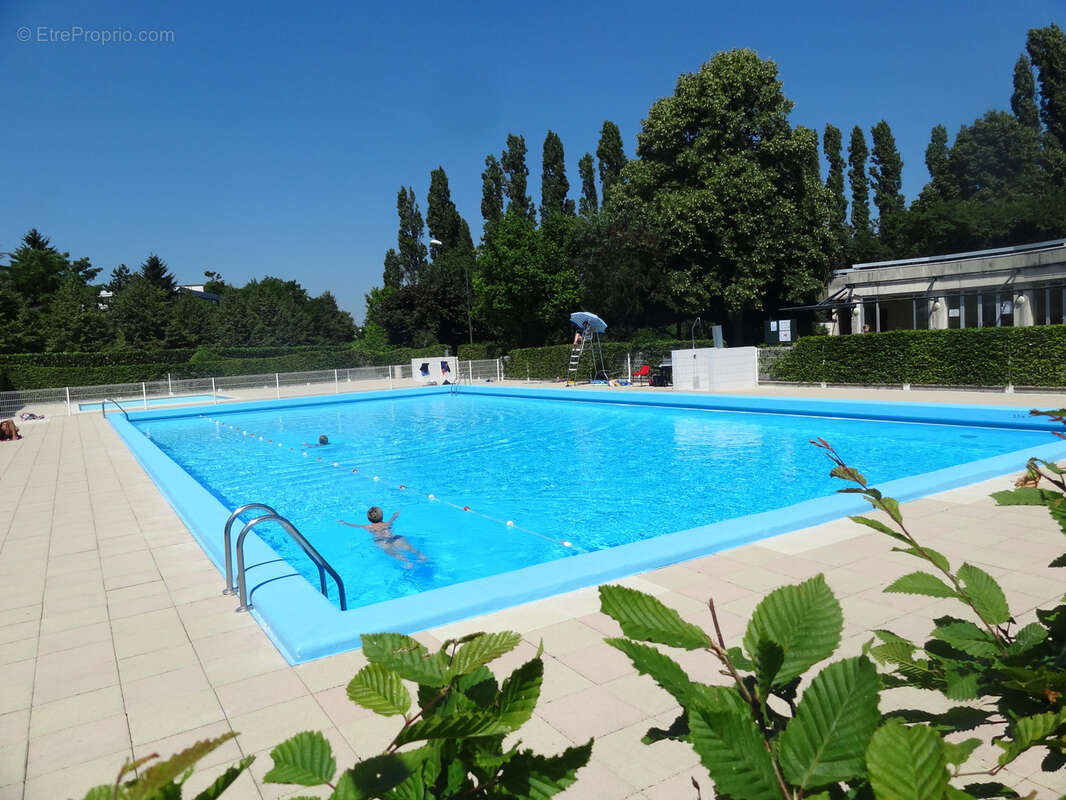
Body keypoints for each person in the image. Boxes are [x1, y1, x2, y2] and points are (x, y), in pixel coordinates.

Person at [338, 506, 426, 569]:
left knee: (392, 552)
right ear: (382, 516)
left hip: (381, 541)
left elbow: (355, 526)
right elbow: (393, 518)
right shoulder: (387, 524)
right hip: (393, 537)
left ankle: (407, 562)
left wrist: (345, 523)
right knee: (408, 547)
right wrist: (396, 514)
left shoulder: (368, 527)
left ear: (369, 519)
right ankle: (421, 555)